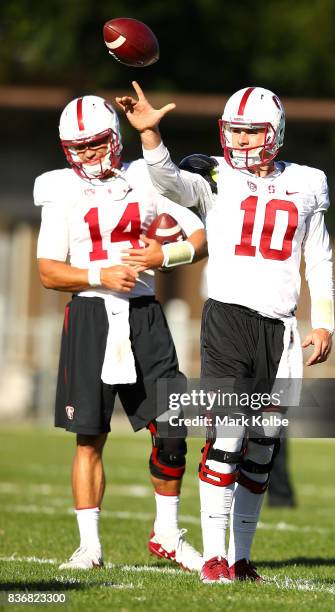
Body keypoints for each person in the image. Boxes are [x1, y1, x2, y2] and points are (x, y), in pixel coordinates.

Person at [116, 82, 334, 582]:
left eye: (250, 132)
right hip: (229, 320)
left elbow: (319, 257)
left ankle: (241, 557)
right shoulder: (213, 174)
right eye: (232, 131)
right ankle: (214, 557)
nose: (239, 142)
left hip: (280, 328)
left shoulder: (308, 182)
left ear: (274, 134)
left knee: (262, 447)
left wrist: (325, 321)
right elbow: (169, 182)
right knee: (228, 438)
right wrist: (150, 136)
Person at [34, 94, 207, 571]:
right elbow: (48, 271)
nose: (88, 155)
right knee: (89, 437)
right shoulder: (59, 189)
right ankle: (90, 547)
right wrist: (99, 276)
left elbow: (199, 238)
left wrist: (160, 257)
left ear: (113, 139)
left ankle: (167, 534)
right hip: (90, 314)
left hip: (144, 315)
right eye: (79, 147)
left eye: (95, 144)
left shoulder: (143, 178)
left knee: (172, 428)